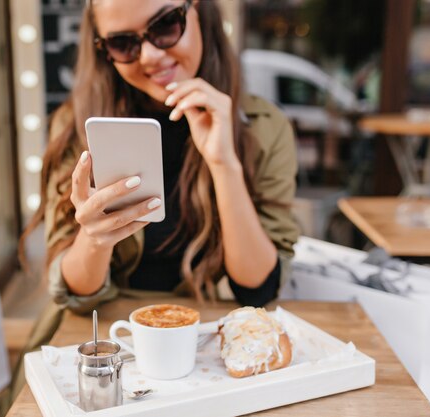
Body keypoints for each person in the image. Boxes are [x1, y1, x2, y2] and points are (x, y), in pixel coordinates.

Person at [20, 0, 299, 315]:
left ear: (201, 13)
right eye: (122, 43)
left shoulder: (264, 127)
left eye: (166, 25)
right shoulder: (76, 126)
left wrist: (224, 166)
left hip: (202, 335)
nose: (150, 56)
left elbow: (258, 287)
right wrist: (95, 239)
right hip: (107, 337)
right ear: (103, 50)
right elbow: (76, 296)